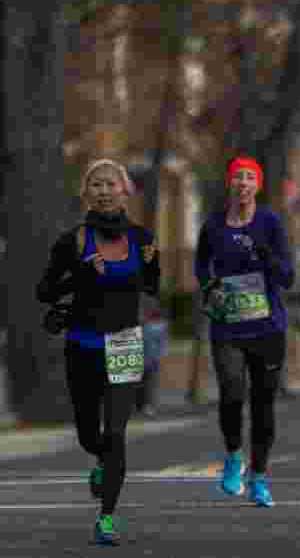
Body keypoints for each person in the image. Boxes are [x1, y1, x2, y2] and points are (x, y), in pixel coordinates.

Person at [37, 159, 160, 546]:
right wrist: (81, 274)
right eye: (96, 184)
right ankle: (101, 461)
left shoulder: (142, 239)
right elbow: (44, 290)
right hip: (84, 346)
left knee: (116, 433)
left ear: (125, 191)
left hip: (125, 343)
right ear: (86, 193)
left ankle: (106, 517)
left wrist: (152, 265)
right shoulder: (72, 241)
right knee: (90, 435)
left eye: (111, 184)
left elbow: (152, 286)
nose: (104, 191)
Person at [194, 156, 295, 508]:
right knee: (232, 390)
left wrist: (267, 256)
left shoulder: (270, 222)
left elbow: (287, 277)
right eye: (238, 176)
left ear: (258, 185)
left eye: (250, 177)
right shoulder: (213, 225)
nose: (243, 183)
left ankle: (260, 478)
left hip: (267, 327)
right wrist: (209, 286)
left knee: (263, 404)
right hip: (228, 325)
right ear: (230, 182)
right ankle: (234, 455)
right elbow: (201, 264)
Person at [138, 297, 169, 418]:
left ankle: (147, 405)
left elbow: (163, 343)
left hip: (149, 358)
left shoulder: (149, 325)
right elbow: (163, 344)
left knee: (148, 384)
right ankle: (146, 405)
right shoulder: (159, 325)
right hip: (149, 358)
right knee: (149, 384)